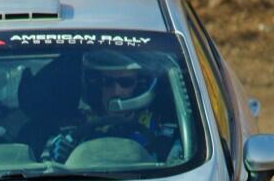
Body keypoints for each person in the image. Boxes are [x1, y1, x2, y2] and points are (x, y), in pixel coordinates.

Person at [41, 50, 181, 164]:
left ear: (139, 86)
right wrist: (58, 153)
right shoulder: (72, 126)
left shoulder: (162, 125)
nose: (116, 91)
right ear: (95, 87)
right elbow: (48, 169)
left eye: (125, 82)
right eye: (106, 81)